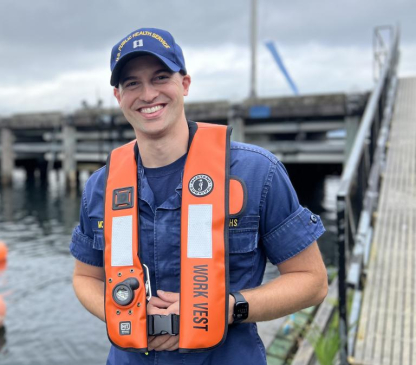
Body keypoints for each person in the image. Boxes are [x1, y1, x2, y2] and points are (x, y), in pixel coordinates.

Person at [69, 28, 328, 364]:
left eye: (160, 77)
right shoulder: (99, 187)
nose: (148, 94)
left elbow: (312, 281)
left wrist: (228, 307)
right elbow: (85, 277)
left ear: (185, 84)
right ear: (118, 96)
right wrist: (122, 313)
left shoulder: (256, 173)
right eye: (132, 83)